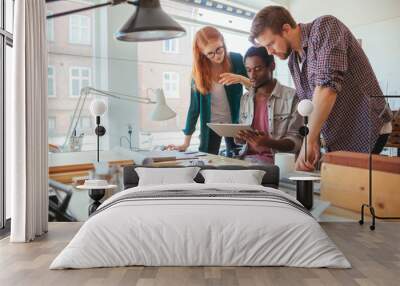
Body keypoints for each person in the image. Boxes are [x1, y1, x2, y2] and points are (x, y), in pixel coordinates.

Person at [249, 6, 392, 171]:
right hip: (340, 135)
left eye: (271, 43)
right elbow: (308, 106)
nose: (269, 51)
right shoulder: (294, 62)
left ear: (286, 29)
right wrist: (314, 141)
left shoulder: (325, 27)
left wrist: (307, 142)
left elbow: (327, 87)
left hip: (367, 126)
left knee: (355, 190)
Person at [167, 26, 250, 155]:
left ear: (223, 42)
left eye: (219, 50)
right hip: (212, 126)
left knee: (239, 158)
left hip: (235, 123)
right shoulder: (199, 74)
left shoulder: (236, 59)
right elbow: (194, 109)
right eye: (210, 53)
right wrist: (186, 143)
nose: (217, 56)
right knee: (208, 160)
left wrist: (240, 79)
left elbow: (255, 89)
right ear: (202, 53)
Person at [235, 46, 302, 165]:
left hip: (276, 164)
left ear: (272, 66)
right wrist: (240, 137)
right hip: (246, 161)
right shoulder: (245, 99)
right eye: (249, 70)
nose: (252, 76)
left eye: (257, 69)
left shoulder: (292, 97)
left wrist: (269, 142)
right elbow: (241, 142)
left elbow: (296, 143)